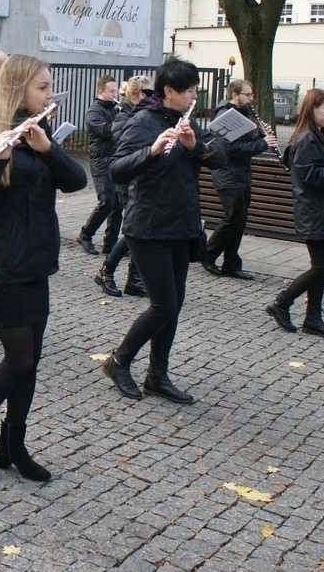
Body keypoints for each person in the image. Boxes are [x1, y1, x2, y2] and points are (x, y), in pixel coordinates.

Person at [0, 53, 87, 481]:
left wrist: (48, 151)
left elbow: (76, 182)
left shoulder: (40, 133)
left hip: (37, 258)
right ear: (20, 89)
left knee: (33, 359)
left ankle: (13, 443)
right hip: (0, 262)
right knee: (18, 359)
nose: (51, 95)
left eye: (49, 87)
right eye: (43, 87)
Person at [101, 59, 225, 405]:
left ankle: (158, 375)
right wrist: (152, 151)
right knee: (163, 305)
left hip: (182, 225)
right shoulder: (143, 121)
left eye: (195, 91)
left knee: (175, 304)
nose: (194, 97)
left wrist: (193, 147)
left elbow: (218, 159)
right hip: (149, 226)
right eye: (189, 91)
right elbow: (117, 170)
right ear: (169, 91)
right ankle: (119, 361)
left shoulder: (187, 122)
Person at [263, 89, 324, 339]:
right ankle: (282, 303)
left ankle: (313, 318)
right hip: (314, 210)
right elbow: (313, 176)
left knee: (322, 265)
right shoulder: (307, 139)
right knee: (321, 267)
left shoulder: (319, 135)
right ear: (312, 109)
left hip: (322, 209)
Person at [201, 79, 274, 280]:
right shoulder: (226, 114)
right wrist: (263, 144)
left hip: (241, 173)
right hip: (227, 173)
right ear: (235, 94)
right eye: (248, 95)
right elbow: (230, 149)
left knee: (239, 220)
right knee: (232, 218)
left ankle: (231, 263)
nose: (251, 98)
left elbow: (244, 141)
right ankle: (209, 254)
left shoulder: (244, 113)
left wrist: (260, 135)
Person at [94, 75, 152, 298]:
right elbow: (121, 142)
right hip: (126, 180)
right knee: (132, 231)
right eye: (149, 93)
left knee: (139, 231)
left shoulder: (143, 115)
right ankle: (106, 271)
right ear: (138, 95)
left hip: (141, 179)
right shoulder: (125, 115)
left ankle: (134, 280)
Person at [77, 76, 122, 256]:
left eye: (116, 90)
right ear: (101, 91)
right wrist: (123, 119)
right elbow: (107, 131)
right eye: (111, 91)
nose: (115, 94)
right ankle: (85, 234)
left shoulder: (116, 109)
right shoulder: (94, 111)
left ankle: (110, 244)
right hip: (101, 160)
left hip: (116, 159)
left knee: (118, 203)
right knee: (107, 201)